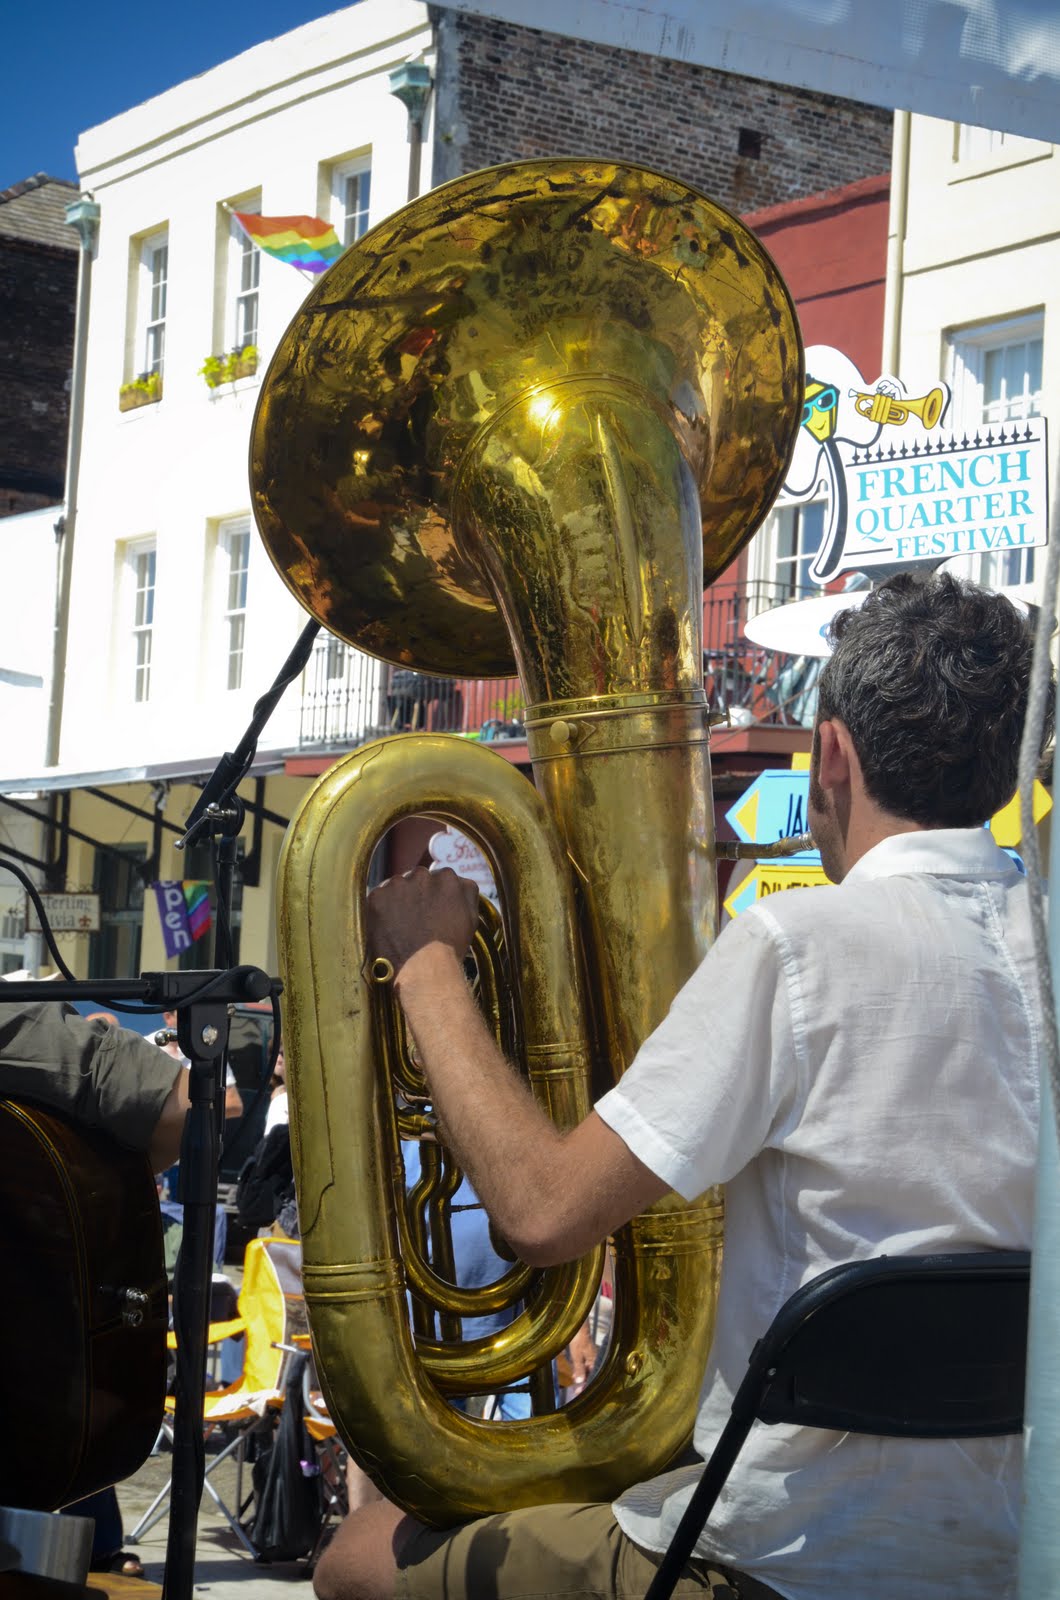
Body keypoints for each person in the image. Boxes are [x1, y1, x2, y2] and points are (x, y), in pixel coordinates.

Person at [313, 573, 1052, 1600]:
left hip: (773, 1562)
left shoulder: (799, 945)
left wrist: (428, 966)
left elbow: (536, 1210)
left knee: (356, 1559)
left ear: (829, 753)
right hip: (1008, 1555)